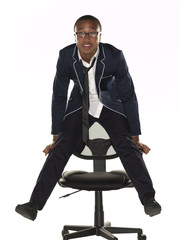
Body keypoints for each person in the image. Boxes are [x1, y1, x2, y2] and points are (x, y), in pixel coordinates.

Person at [15, 15, 161, 221]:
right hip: (79, 107)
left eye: (92, 33)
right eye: (81, 33)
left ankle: (148, 199)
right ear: (75, 35)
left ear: (99, 35)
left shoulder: (114, 56)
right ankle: (34, 204)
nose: (86, 38)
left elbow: (128, 95)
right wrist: (56, 135)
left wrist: (135, 135)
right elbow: (59, 96)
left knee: (127, 145)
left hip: (110, 106)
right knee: (60, 149)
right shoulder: (66, 57)